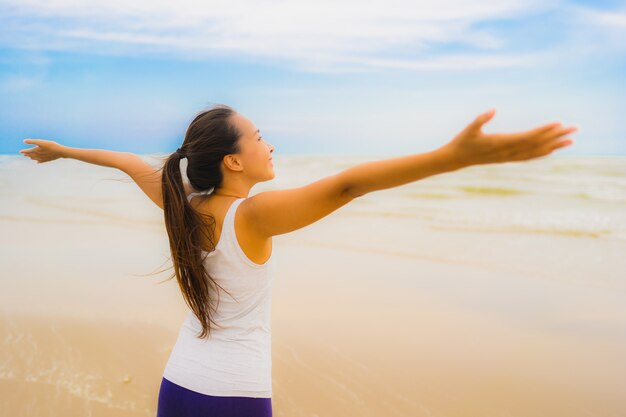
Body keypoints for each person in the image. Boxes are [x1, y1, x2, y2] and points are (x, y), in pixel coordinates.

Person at [19, 104, 577, 416]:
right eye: (260, 137)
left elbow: (122, 162)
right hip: (233, 397)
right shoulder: (252, 216)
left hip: (179, 387)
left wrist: (62, 151)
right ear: (234, 161)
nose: (270, 144)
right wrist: (452, 158)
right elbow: (348, 186)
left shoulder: (181, 205)